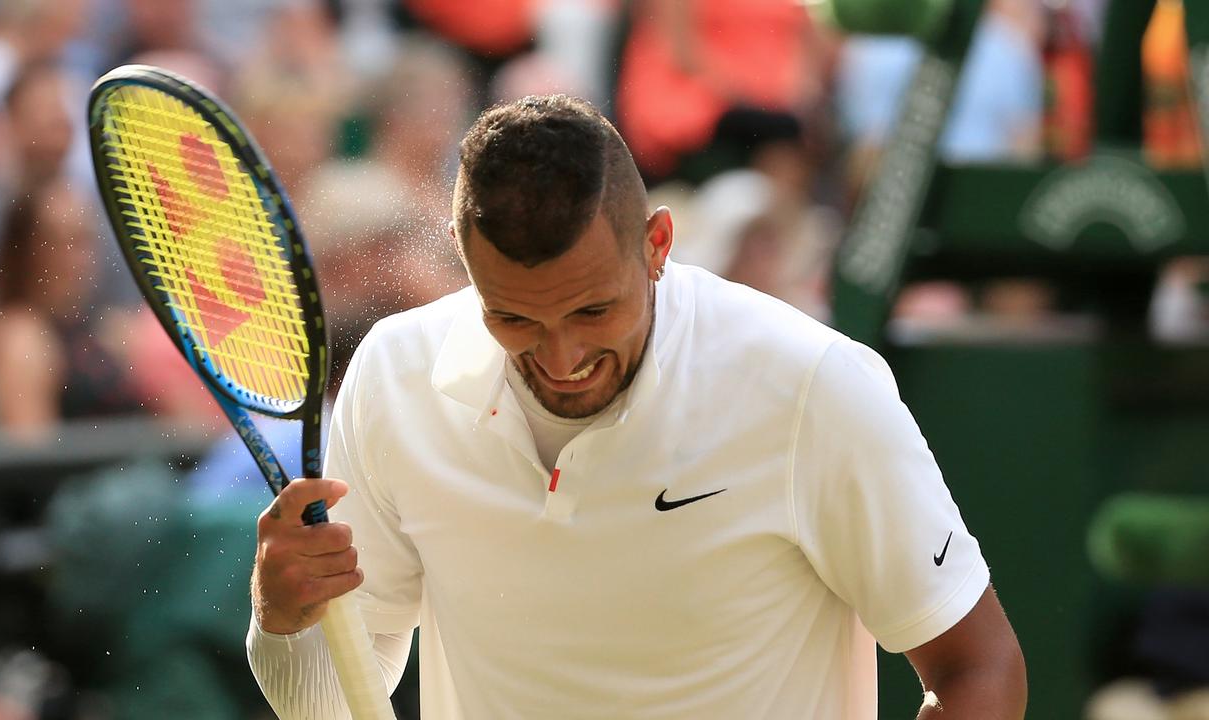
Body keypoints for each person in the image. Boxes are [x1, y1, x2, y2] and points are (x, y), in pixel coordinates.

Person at [246, 95, 1027, 719]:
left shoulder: (812, 386)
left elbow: (977, 667)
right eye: (513, 318)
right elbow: (333, 705)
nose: (561, 360)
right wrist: (281, 622)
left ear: (657, 244)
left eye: (592, 311)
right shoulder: (394, 374)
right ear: (466, 263)